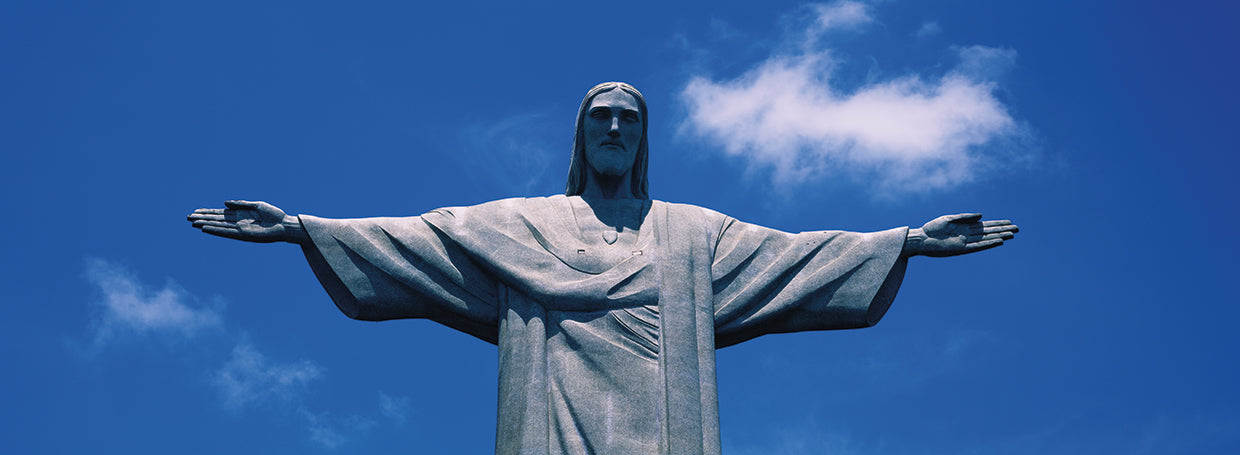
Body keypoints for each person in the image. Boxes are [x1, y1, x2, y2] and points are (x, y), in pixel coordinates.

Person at [188, 82, 1017, 455]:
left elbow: (794, 257)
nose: (614, 128)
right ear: (580, 137)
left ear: (642, 139)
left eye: (628, 119)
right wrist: (301, 227)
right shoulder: (518, 226)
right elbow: (418, 241)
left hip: (666, 424)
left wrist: (903, 239)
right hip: (548, 421)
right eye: (600, 118)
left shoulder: (694, 235)